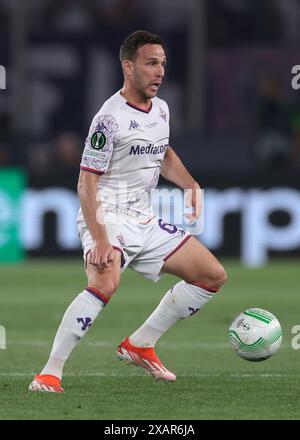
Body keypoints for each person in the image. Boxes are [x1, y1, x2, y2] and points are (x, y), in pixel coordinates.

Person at [29, 30, 227, 393]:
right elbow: (86, 183)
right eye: (151, 63)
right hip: (108, 213)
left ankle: (140, 343)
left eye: (163, 64)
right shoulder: (109, 119)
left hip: (144, 217)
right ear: (128, 66)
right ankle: (49, 373)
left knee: (211, 275)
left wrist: (191, 185)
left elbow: (163, 154)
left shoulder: (162, 109)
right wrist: (101, 237)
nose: (160, 72)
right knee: (106, 280)